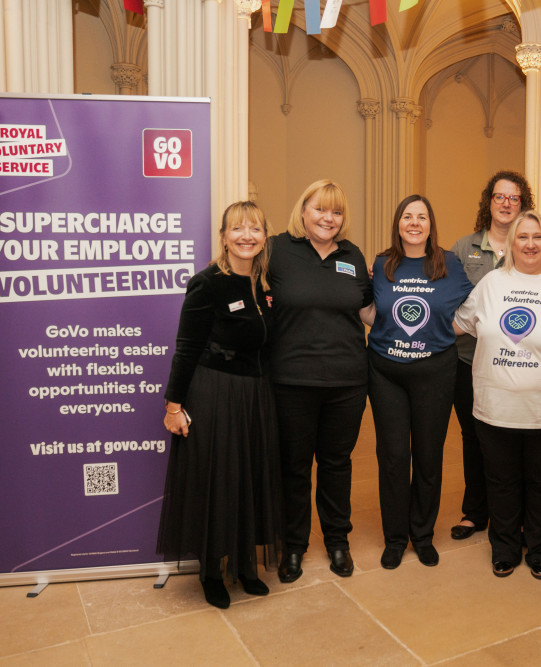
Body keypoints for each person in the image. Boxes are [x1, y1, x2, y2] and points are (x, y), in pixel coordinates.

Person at [454, 210, 541, 580]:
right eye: (522, 237)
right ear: (511, 243)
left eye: (537, 237)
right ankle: (504, 548)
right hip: (494, 408)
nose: (530, 244)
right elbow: (457, 324)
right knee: (501, 483)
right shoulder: (490, 283)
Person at [157, 200, 281, 609]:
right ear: (223, 236)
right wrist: (173, 406)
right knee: (218, 480)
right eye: (237, 229)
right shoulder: (207, 283)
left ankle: (245, 566)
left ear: (265, 237)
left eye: (255, 228)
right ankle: (211, 572)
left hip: (255, 396)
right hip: (215, 394)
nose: (247, 236)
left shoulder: (266, 285)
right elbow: (186, 348)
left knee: (248, 478)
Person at [268, 180, 373, 583]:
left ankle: (337, 542)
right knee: (294, 467)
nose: (329, 218)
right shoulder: (277, 250)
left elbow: (368, 311)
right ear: (303, 210)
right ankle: (293, 546)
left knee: (336, 464)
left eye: (337, 212)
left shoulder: (352, 255)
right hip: (291, 380)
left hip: (347, 381)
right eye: (320, 209)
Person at [364, 195, 474, 569]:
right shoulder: (382, 264)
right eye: (407, 216)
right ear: (398, 224)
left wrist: (444, 331)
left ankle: (422, 536)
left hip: (435, 372)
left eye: (422, 217)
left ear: (430, 225)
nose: (414, 223)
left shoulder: (449, 263)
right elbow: (368, 309)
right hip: (386, 372)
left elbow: (477, 305)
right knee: (393, 457)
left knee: (428, 456)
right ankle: (395, 538)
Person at [448, 171, 535, 541]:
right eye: (499, 196)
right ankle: (475, 511)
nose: (506, 203)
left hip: (518, 364)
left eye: (514, 197)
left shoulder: (530, 245)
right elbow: (443, 292)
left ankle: (518, 512)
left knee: (516, 439)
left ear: (523, 204)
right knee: (474, 437)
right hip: (468, 362)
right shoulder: (463, 247)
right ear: (489, 202)